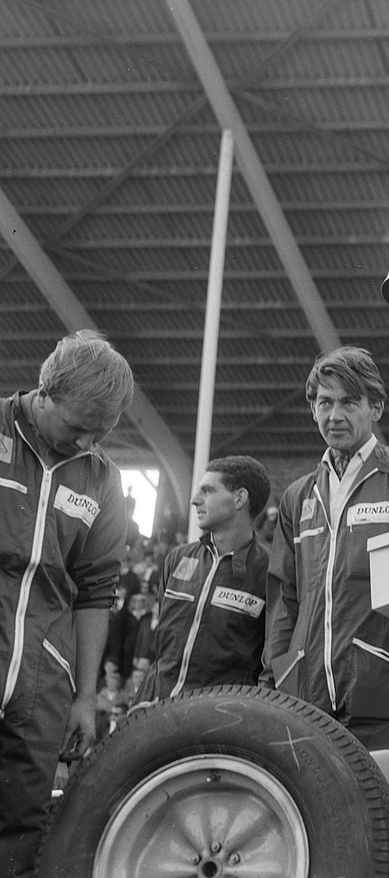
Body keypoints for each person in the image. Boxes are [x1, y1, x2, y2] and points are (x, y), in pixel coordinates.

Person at [262, 346, 389, 750]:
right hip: (304, 701)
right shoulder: (298, 497)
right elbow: (285, 600)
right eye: (325, 403)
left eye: (349, 402)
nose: (334, 415)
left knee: (373, 811)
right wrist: (275, 679)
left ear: (376, 408)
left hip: (383, 694)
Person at [0, 330, 134, 877]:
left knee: (22, 827)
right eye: (78, 428)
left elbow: (96, 592)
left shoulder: (103, 478)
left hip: (41, 682)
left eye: (99, 434)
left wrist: (85, 696)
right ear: (44, 392)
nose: (86, 443)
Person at [134, 457, 272, 702]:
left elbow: (269, 664)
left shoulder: (268, 572)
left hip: (216, 723)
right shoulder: (177, 558)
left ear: (239, 499)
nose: (195, 499)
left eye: (207, 491)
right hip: (154, 709)